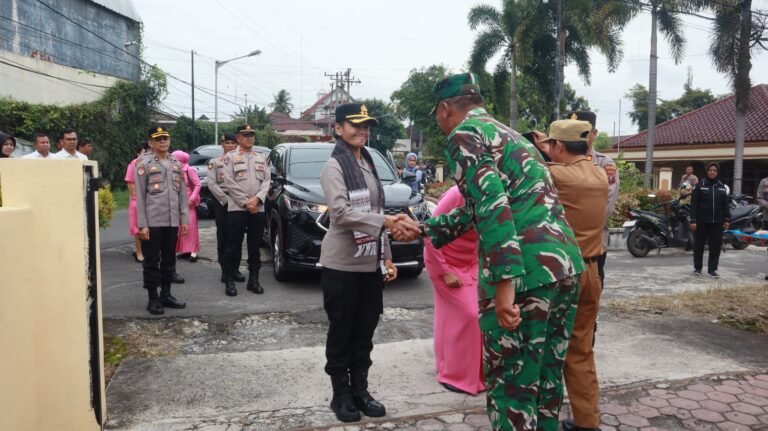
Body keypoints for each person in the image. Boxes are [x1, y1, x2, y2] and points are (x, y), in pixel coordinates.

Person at [411, 73, 584, 431]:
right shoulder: (510, 135)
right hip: (564, 267)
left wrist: (505, 285)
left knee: (512, 389)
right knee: (546, 384)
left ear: (445, 108)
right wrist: (426, 228)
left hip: (525, 275)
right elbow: (481, 204)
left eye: (437, 114)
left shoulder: (464, 135)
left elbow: (492, 206)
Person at [319, 103, 417, 423]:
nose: (362, 130)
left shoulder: (369, 160)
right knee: (342, 332)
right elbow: (342, 214)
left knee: (364, 332)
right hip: (342, 265)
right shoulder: (334, 166)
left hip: (369, 264)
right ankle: (341, 395)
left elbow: (376, 208)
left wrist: (386, 256)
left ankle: (361, 390)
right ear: (338, 128)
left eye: (366, 125)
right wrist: (387, 222)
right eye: (355, 124)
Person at [536, 120, 609, 431]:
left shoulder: (555, 174)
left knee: (542, 347)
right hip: (594, 270)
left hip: (565, 274)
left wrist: (536, 150)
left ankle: (538, 418)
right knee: (581, 350)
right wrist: (549, 147)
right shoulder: (599, 173)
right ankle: (587, 421)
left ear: (559, 147)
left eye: (553, 144)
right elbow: (580, 157)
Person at [423, 185, 484, 395]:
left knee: (479, 314)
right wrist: (445, 271)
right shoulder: (455, 195)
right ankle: (452, 373)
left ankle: (472, 371)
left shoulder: (490, 192)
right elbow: (429, 233)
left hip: (471, 261)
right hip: (444, 261)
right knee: (469, 314)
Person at [134, 126, 189, 315]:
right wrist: (142, 224)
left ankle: (166, 294)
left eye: (165, 138)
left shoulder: (176, 164)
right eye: (158, 139)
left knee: (169, 260)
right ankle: (153, 297)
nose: (163, 142)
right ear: (151, 143)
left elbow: (182, 193)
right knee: (151, 261)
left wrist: (184, 219)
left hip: (172, 221)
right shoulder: (143, 164)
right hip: (153, 222)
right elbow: (139, 197)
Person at [567, 111, 619, 289]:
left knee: (592, 284)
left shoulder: (605, 164)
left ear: (594, 134)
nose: (578, 137)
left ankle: (592, 317)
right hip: (565, 238)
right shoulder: (560, 161)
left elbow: (607, 205)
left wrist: (582, 229)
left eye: (583, 132)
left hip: (593, 241)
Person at [221, 124, 271, 296]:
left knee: (255, 247)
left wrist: (257, 199)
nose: (250, 137)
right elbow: (229, 182)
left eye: (252, 135)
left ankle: (254, 280)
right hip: (237, 209)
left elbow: (266, 181)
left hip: (258, 208)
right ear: (238, 138)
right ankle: (229, 281)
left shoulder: (261, 157)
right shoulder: (230, 157)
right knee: (233, 246)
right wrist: (245, 202)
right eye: (246, 135)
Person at [208, 133, 246, 283]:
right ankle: (225, 270)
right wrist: (226, 200)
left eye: (232, 143)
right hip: (222, 201)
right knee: (223, 235)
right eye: (227, 143)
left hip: (238, 201)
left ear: (236, 144)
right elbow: (212, 184)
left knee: (236, 236)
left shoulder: (241, 161)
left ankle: (235, 269)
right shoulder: (215, 162)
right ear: (222, 145)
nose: (230, 145)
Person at [690, 162, 730, 279]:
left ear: (717, 172)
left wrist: (727, 219)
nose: (712, 172)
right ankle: (697, 268)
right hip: (701, 221)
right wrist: (693, 220)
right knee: (699, 245)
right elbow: (694, 204)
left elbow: (725, 205)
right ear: (707, 172)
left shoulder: (721, 186)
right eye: (710, 170)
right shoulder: (700, 185)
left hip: (717, 222)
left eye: (715, 170)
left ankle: (712, 269)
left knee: (715, 246)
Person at [172, 150, 202, 262]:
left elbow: (198, 184)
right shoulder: (175, 170)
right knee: (181, 227)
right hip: (178, 202)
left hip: (189, 202)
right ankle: (185, 250)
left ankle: (194, 251)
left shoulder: (189, 170)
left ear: (181, 160)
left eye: (175, 159)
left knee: (191, 226)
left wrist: (192, 199)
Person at [125, 143, 147, 263]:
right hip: (137, 200)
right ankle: (139, 252)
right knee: (138, 227)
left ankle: (147, 250)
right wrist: (135, 198)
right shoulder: (134, 164)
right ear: (138, 153)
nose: (146, 155)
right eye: (144, 152)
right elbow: (130, 182)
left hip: (150, 200)